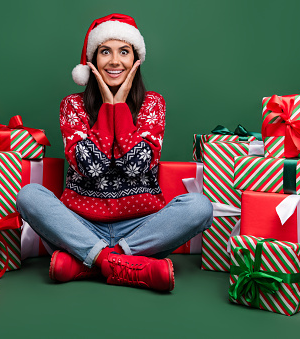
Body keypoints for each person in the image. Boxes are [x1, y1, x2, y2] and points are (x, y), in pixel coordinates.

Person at [16, 13, 213, 292]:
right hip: (80, 226)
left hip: (141, 229)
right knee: (29, 196)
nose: (115, 61)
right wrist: (108, 110)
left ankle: (89, 264)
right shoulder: (72, 106)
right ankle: (119, 264)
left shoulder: (153, 104)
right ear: (92, 61)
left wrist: (119, 108)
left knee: (199, 207)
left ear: (136, 59)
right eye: (105, 52)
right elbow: (90, 166)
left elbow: (136, 165)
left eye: (124, 52)